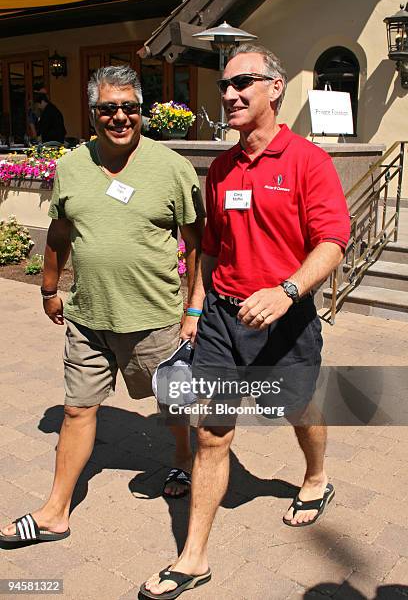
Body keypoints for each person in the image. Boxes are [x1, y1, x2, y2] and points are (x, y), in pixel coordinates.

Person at [141, 44, 350, 599]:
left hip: (286, 319)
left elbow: (333, 242)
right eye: (225, 87)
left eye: (243, 83)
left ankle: (315, 477)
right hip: (221, 320)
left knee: (296, 407)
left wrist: (287, 291)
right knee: (212, 433)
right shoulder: (223, 168)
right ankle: (193, 558)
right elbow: (211, 249)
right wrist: (194, 308)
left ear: (276, 88)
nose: (229, 95)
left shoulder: (308, 160)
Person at [0, 65, 205, 544]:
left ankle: (182, 460)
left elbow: (195, 242)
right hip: (88, 314)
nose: (120, 117)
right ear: (93, 113)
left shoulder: (172, 167)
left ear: (141, 111)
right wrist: (50, 288)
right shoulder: (72, 165)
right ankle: (55, 510)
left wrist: (193, 308)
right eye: (108, 108)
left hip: (154, 316)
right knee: (76, 409)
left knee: (170, 401)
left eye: (129, 107)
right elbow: (59, 231)